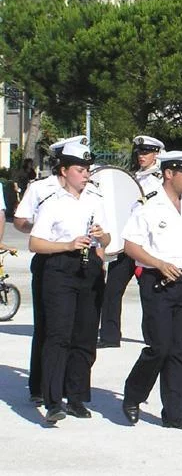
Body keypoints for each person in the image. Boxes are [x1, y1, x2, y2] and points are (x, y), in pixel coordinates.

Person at [120, 151, 182, 429]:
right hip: (156, 282)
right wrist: (159, 264)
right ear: (169, 173)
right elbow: (131, 246)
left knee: (179, 350)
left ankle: (176, 415)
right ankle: (133, 395)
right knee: (159, 347)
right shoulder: (148, 205)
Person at [28, 140, 110, 424]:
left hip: (89, 269)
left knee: (85, 337)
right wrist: (67, 245)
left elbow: (108, 240)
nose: (86, 174)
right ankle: (53, 401)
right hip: (60, 269)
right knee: (58, 336)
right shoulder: (52, 202)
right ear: (64, 171)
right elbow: (35, 243)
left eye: (87, 169)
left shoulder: (95, 200)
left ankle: (76, 397)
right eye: (80, 169)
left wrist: (102, 235)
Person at [13, 134, 86, 406]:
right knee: (46, 325)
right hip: (48, 260)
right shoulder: (40, 188)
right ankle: (39, 386)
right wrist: (43, 229)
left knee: (69, 328)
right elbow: (21, 220)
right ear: (62, 164)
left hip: (75, 261)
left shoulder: (84, 189)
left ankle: (62, 384)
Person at [98, 135, 165, 349]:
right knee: (112, 290)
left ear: (156, 154)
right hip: (126, 243)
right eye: (139, 152)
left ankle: (154, 337)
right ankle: (109, 336)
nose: (141, 156)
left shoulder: (159, 180)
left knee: (150, 291)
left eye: (146, 152)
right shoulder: (133, 177)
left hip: (145, 244)